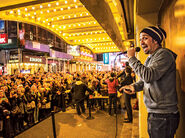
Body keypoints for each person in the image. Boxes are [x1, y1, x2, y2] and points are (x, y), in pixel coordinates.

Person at [119, 26, 179, 138]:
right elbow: (144, 81)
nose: (141, 43)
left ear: (155, 40)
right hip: (156, 113)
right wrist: (133, 87)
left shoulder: (164, 55)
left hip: (164, 115)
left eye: (145, 38)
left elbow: (148, 76)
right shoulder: (150, 58)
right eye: (141, 39)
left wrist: (132, 58)